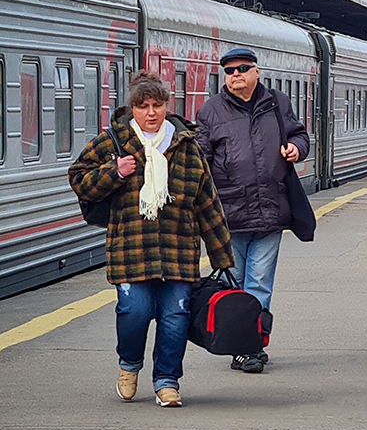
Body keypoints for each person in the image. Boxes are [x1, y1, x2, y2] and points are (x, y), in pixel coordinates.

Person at [69, 71, 236, 407]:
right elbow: (79, 179)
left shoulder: (186, 146)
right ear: (132, 108)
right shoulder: (114, 141)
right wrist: (114, 172)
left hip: (178, 250)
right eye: (142, 106)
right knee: (135, 311)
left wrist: (223, 258)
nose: (150, 112)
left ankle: (167, 382)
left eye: (157, 105)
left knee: (176, 316)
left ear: (166, 105)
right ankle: (129, 365)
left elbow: (208, 203)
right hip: (130, 248)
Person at [195, 48, 310, 374]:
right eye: (229, 71)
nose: (236, 75)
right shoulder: (211, 111)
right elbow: (200, 156)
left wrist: (296, 149)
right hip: (229, 216)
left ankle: (254, 347)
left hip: (271, 211)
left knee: (259, 284)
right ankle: (240, 345)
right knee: (235, 284)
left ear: (257, 72)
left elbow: (300, 135)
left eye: (243, 68)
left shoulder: (276, 102)